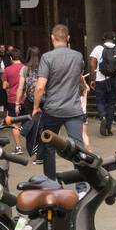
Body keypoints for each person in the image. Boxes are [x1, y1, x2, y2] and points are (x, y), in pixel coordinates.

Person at [32, 24, 86, 180]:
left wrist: (36, 107)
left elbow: (40, 87)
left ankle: (51, 182)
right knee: (78, 147)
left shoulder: (47, 57)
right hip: (73, 109)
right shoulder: (78, 56)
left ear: (52, 38)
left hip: (53, 109)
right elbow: (79, 75)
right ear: (68, 38)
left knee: (49, 145)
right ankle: (81, 186)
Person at [89, 30, 116, 136]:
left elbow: (92, 64)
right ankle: (109, 129)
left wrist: (92, 79)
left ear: (103, 39)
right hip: (115, 80)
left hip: (101, 80)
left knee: (100, 101)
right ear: (114, 39)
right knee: (111, 104)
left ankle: (103, 117)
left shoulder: (98, 48)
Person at [1, 48, 25, 155]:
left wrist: (9, 86)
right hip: (25, 99)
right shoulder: (25, 68)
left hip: (12, 99)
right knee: (29, 122)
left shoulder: (7, 69)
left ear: (11, 58)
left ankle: (18, 147)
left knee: (15, 124)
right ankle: (33, 146)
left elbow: (4, 85)